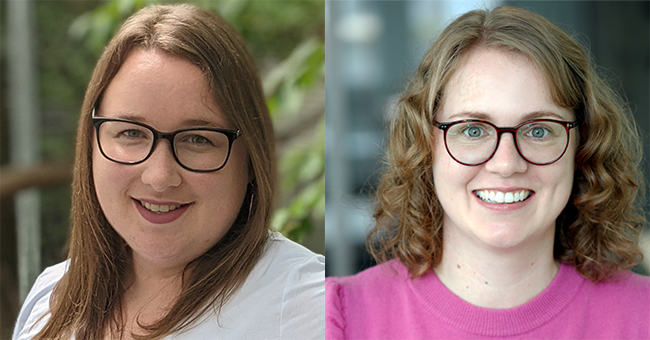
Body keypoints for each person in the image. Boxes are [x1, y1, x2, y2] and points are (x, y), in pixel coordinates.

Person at [326, 5, 649, 340]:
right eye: (473, 130)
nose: (506, 164)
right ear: (426, 145)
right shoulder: (339, 317)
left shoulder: (644, 314)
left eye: (538, 130)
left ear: (582, 146)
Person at [13, 4, 324, 340]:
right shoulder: (51, 299)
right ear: (90, 143)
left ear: (250, 159)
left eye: (198, 139)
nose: (159, 177)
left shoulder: (312, 307)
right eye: (131, 133)